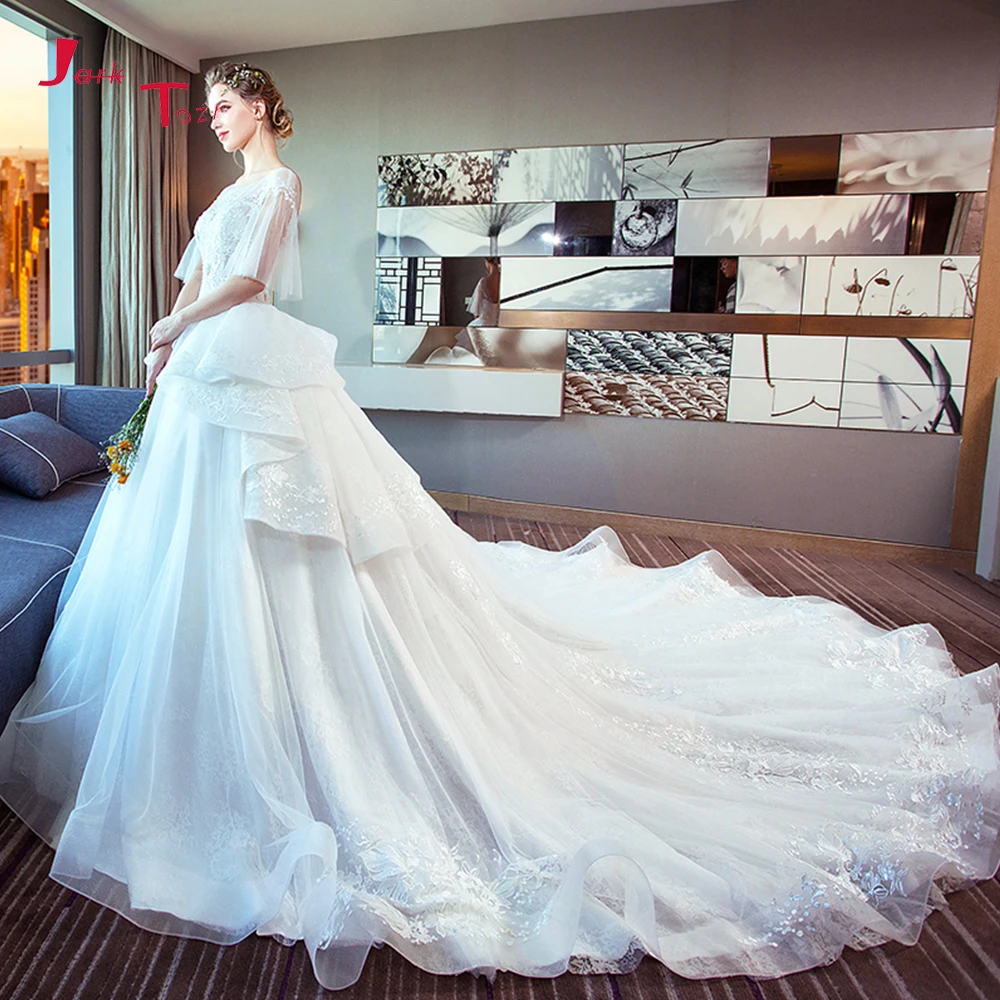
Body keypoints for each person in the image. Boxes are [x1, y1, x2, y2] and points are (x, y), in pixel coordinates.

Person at [1, 61, 999, 995]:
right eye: (209, 106)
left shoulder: (278, 185)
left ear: (260, 106)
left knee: (295, 539)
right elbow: (195, 279)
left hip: (245, 365)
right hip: (202, 384)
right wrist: (167, 350)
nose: (213, 117)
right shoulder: (221, 194)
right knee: (192, 553)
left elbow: (252, 282)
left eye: (224, 102)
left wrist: (178, 325)